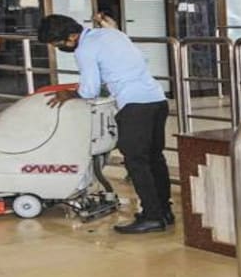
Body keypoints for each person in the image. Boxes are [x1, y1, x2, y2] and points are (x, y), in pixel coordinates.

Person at [37, 14, 174, 234]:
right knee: (154, 158)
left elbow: (89, 90)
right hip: (157, 100)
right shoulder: (112, 33)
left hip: (135, 105)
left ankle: (152, 216)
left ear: (71, 37)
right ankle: (164, 211)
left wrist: (68, 94)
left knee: (137, 162)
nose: (58, 48)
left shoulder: (84, 49)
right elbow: (141, 59)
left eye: (57, 44)